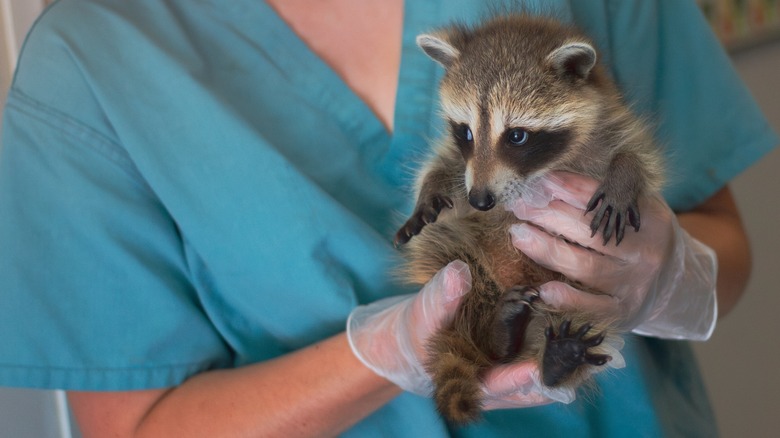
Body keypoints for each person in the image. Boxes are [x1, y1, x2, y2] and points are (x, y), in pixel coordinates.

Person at [0, 0, 775, 436]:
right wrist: (387, 354)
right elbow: (137, 426)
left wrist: (670, 277)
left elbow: (724, 241)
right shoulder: (91, 62)